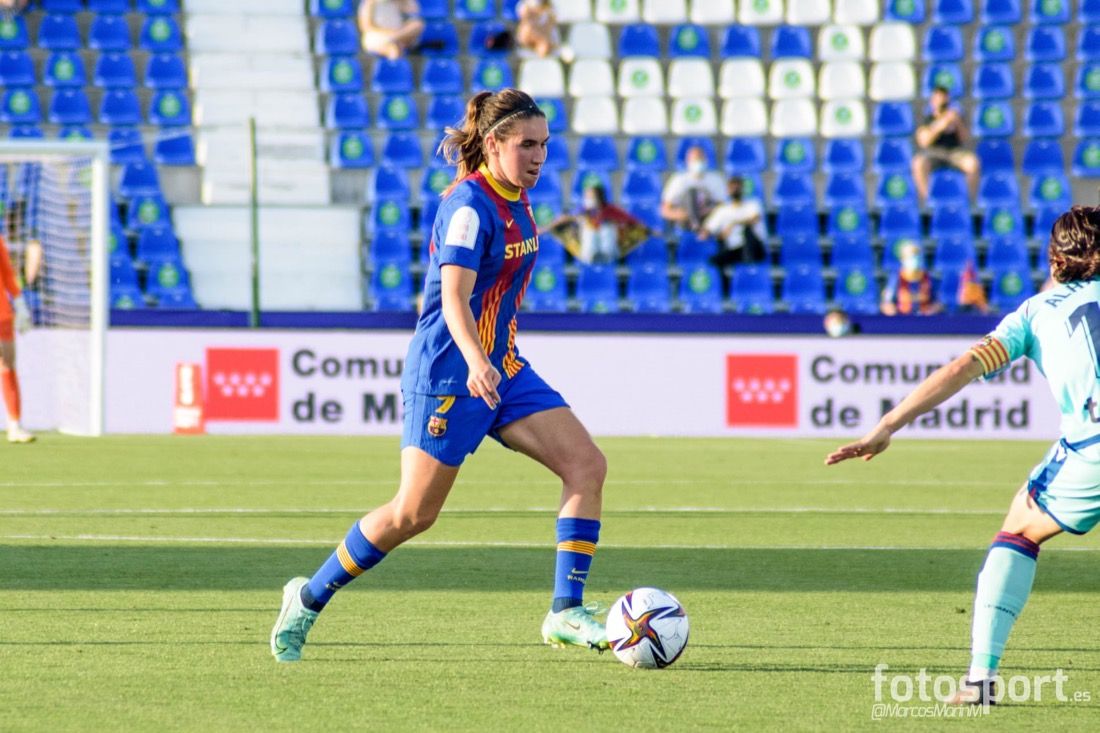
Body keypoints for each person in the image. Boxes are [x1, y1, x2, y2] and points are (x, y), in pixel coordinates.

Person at [270, 89, 609, 662]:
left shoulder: (518, 198)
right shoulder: (470, 206)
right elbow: (453, 296)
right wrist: (475, 360)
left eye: (544, 145)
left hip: (502, 368)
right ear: (493, 143)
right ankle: (306, 597)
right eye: (527, 145)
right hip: (452, 373)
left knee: (586, 465)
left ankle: (564, 612)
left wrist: (491, 359)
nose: (538, 157)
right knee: (412, 514)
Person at [825, 205, 1100, 705]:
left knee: (1019, 533)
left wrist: (887, 425)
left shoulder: (1036, 311)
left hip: (1092, 450)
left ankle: (980, 681)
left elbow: (960, 369)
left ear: (1057, 260)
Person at [547, 182, 649, 264]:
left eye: (590, 196)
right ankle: (591, 254)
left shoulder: (610, 210)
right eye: (586, 196)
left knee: (607, 227)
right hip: (587, 251)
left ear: (599, 197)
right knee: (588, 226)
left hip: (610, 250)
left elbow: (633, 221)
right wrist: (545, 228)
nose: (587, 199)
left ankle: (606, 253)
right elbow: (564, 219)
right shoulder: (582, 210)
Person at [912, 85, 981, 205]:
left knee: (972, 163)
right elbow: (924, 142)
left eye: (944, 99)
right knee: (918, 163)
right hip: (934, 153)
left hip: (954, 152)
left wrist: (957, 123)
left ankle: (969, 201)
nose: (941, 102)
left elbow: (965, 139)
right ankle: (927, 201)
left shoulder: (957, 117)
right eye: (938, 99)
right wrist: (940, 124)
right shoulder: (927, 119)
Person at [0, 233, 33, 444]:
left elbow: (7, 274)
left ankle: (14, 425)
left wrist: (20, 305)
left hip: (1, 314)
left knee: (8, 364)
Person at [699, 175, 768, 268]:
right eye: (732, 188)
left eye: (737, 187)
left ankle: (748, 263)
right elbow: (707, 230)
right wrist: (719, 235)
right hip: (735, 249)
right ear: (728, 190)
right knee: (714, 261)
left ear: (742, 189)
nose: (735, 190)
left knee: (747, 230)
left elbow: (755, 218)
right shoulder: (722, 210)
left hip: (755, 248)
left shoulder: (753, 204)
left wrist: (733, 224)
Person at [660, 145, 727, 231]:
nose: (698, 162)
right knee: (691, 193)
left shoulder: (715, 179)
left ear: (705, 160)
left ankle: (699, 226)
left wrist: (705, 212)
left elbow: (722, 206)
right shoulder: (679, 180)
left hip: (708, 220)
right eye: (695, 160)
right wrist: (683, 215)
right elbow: (665, 210)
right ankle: (695, 224)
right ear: (688, 161)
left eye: (700, 159)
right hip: (685, 222)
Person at [880, 241, 943, 316]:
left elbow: (938, 304)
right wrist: (894, 313)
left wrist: (931, 312)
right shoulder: (896, 278)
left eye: (916, 256)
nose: (914, 260)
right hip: (902, 319)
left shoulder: (929, 278)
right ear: (902, 259)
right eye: (910, 257)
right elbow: (886, 304)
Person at [358, 0, 424, 60]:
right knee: (394, 50)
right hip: (377, 37)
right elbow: (366, 26)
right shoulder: (369, 2)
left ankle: (393, 39)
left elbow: (413, 14)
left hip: (398, 35)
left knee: (417, 25)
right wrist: (388, 33)